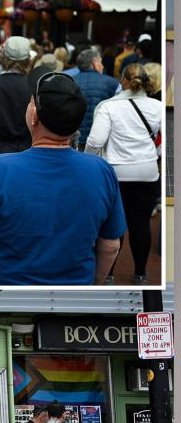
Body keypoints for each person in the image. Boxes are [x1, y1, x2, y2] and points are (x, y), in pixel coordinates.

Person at [0, 71, 126, 285]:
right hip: (74, 293)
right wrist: (93, 285)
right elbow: (111, 245)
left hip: (5, 294)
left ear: (34, 114)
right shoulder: (102, 171)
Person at [85, 63, 162, 285]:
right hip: (147, 171)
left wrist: (91, 159)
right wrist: (153, 153)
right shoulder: (156, 106)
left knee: (112, 224)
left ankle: (108, 273)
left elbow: (96, 140)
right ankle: (140, 273)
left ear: (124, 82)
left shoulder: (109, 107)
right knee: (140, 223)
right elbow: (162, 141)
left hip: (115, 172)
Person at [72, 48, 121, 150]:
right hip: (102, 140)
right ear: (95, 63)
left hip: (75, 139)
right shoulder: (113, 83)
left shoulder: (70, 81)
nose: (102, 66)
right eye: (101, 62)